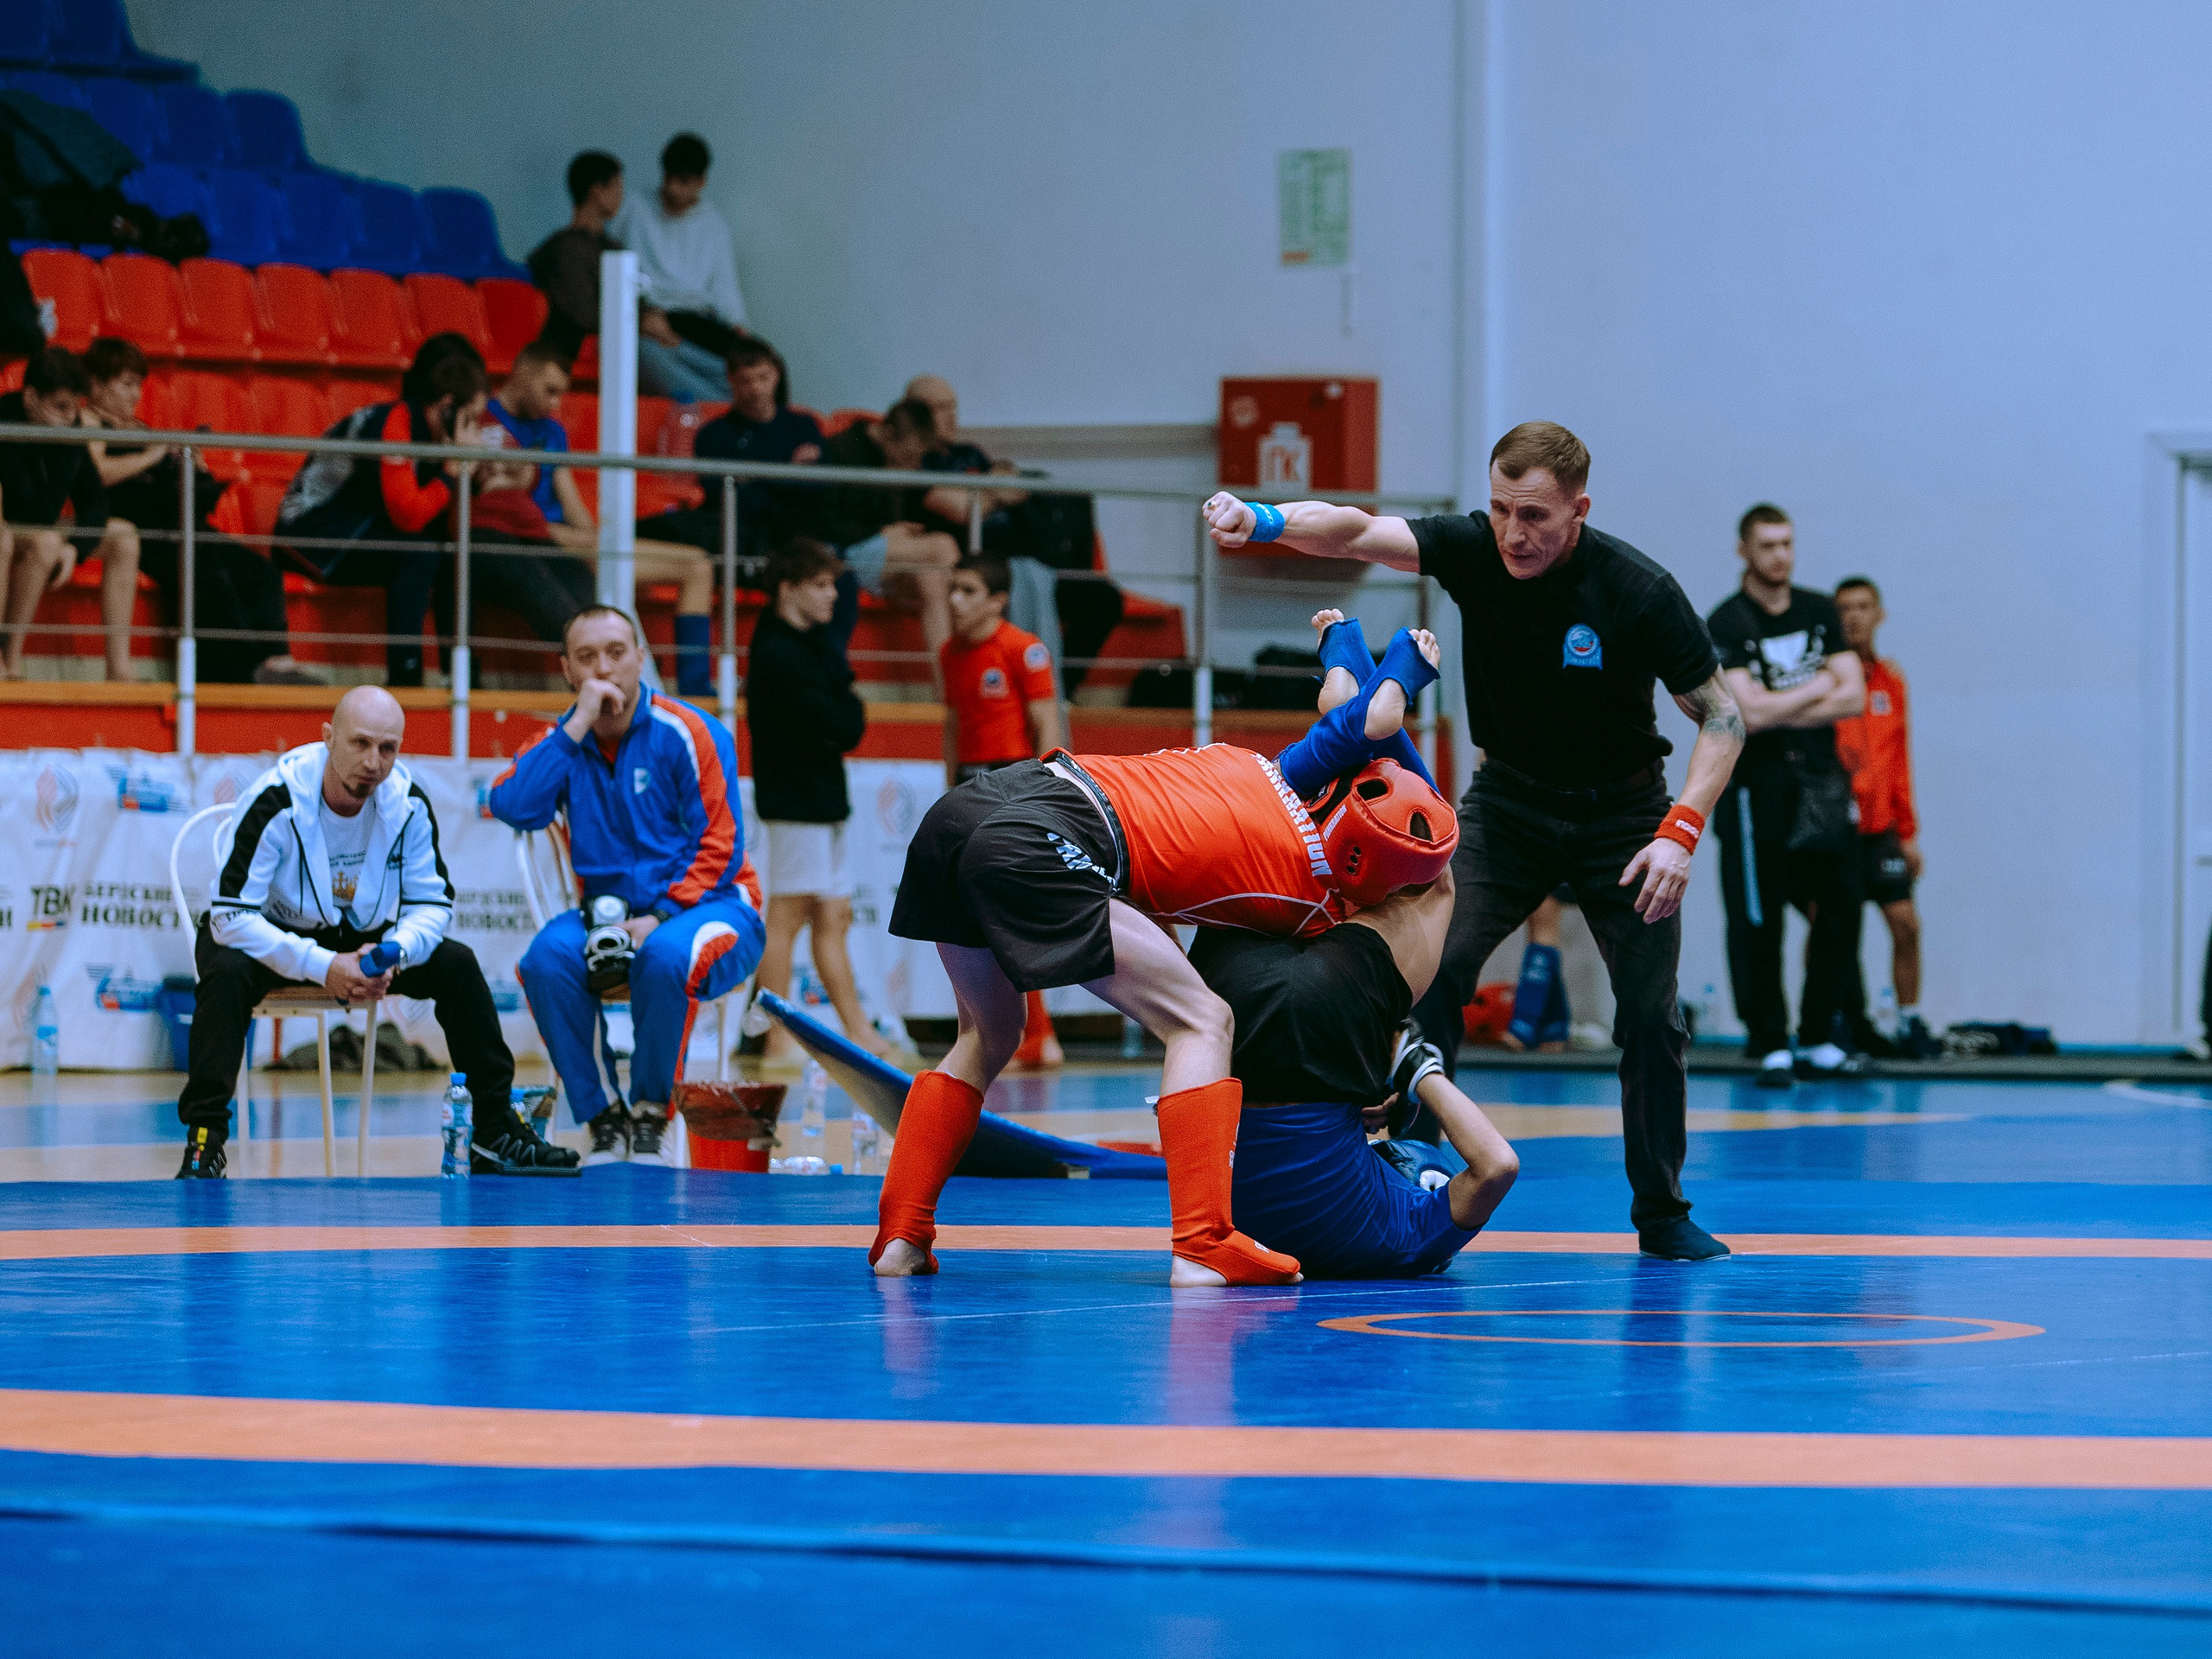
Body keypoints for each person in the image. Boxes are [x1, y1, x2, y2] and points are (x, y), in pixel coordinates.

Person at [1203, 420, 1746, 1262]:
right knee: (1430, 972)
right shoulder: (1473, 549)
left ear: (1578, 509)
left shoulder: (1636, 589)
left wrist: (1681, 832)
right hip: (1510, 805)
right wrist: (1263, 520)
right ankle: (1396, 1156)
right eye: (1498, 510)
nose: (1512, 534)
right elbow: (1354, 528)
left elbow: (1721, 714)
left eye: (1533, 516)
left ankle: (1662, 1213)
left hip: (1625, 819)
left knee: (1648, 1012)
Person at [873, 612, 1454, 1287]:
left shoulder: (1259, 769)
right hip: (1046, 838)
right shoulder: (1307, 890)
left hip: (972, 805)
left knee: (987, 1031)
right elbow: (1427, 859)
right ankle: (1203, 1242)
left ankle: (900, 1234)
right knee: (1203, 1021)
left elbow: (1346, 732)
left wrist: (1348, 659)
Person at [177, 685, 579, 1179]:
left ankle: (494, 1130)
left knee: (456, 965)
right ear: (329, 737)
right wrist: (322, 966)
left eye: (387, 748)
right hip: (272, 935)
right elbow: (231, 916)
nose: (373, 762)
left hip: (364, 942)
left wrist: (392, 953)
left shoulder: (407, 801)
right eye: (360, 743)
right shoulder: (276, 800)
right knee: (225, 970)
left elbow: (432, 905)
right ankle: (205, 1140)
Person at [491, 604, 764, 1166]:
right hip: (607, 915)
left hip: (715, 907)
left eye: (617, 653)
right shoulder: (562, 742)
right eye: (586, 658)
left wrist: (660, 915)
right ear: (566, 670)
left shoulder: (690, 732)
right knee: (545, 960)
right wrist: (576, 725)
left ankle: (649, 1115)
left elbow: (722, 843)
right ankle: (602, 1118)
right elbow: (512, 805)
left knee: (663, 957)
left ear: (641, 658)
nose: (604, 669)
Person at [1195, 868, 1522, 1279]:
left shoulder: (1412, 1239)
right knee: (1243, 868)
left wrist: (1417, 1067)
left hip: (1332, 1002)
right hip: (1231, 1021)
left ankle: (1418, 813)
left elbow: (1498, 1166)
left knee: (1434, 888)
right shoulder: (1363, 1243)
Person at [1707, 505, 1869, 1087]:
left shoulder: (1818, 609)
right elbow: (1746, 712)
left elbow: (1853, 696)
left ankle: (1819, 1034)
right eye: (1769, 545)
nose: (1781, 555)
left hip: (1821, 785)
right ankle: (1770, 1039)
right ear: (1744, 551)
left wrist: (1784, 703)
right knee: (1758, 917)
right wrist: (1819, 683)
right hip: (1756, 789)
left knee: (1843, 906)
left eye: (1787, 544)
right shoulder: (1727, 622)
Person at [77, 338, 321, 685]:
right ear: (97, 384)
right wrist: (154, 455)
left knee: (260, 571)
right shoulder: (88, 421)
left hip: (182, 522)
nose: (135, 394)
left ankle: (276, 660)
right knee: (207, 574)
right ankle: (238, 674)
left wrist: (192, 465)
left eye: (139, 385)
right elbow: (98, 471)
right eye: (126, 384)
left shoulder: (140, 428)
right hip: (139, 527)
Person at [480, 340, 716, 693]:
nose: (556, 404)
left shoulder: (553, 431)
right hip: (533, 536)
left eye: (562, 394)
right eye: (550, 391)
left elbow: (571, 499)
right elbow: (493, 504)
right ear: (522, 373)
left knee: (700, 566)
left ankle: (696, 690)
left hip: (572, 540)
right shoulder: (486, 423)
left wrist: (595, 537)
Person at [746, 539, 902, 1066]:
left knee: (833, 915)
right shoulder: (776, 650)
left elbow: (847, 723)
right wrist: (843, 713)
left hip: (823, 798)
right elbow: (839, 723)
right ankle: (776, 1034)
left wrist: (843, 714)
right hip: (795, 801)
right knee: (787, 915)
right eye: (820, 584)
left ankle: (858, 1029)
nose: (833, 595)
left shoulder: (814, 644)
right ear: (788, 589)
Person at [275, 334, 492, 687]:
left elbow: (445, 527)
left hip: (360, 529)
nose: (476, 431)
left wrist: (472, 479)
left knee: (455, 555)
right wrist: (453, 474)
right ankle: (405, 679)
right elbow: (407, 516)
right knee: (417, 554)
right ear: (447, 406)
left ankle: (465, 677)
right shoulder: (394, 424)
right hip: (309, 532)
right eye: (471, 419)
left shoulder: (437, 439)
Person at [906, 373, 1125, 697]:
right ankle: (1024, 690)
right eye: (939, 408)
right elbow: (960, 509)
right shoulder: (918, 464)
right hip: (983, 565)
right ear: (915, 414)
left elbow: (1012, 491)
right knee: (1018, 578)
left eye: (953, 406)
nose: (950, 416)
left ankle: (1058, 690)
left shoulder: (971, 453)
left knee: (1102, 599)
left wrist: (986, 495)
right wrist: (994, 493)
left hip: (1032, 556)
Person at [941, 552, 1069, 1066]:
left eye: (968, 590)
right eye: (952, 588)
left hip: (1015, 783)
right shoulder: (950, 652)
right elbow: (953, 724)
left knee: (1013, 913)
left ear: (997, 600)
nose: (955, 599)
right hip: (969, 784)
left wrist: (1050, 793)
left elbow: (1047, 726)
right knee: (978, 919)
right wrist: (948, 787)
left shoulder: (1023, 648)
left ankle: (1039, 1037)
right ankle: (1024, 1035)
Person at [1834, 575, 1932, 1058]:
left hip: (1883, 831)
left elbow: (1899, 761)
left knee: (1905, 923)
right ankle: (1835, 1019)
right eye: (1845, 608)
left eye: (1863, 607)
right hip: (1838, 832)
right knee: (1831, 929)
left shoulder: (1892, 682)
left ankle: (1909, 1020)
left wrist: (1907, 833)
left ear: (1879, 615)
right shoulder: (1827, 682)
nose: (1853, 617)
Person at [0, 346, 142, 681]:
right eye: (60, 407)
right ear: (31, 397)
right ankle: (10, 660)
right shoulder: (4, 422)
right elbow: (28, 501)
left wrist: (75, 546)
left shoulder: (70, 427)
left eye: (73, 408)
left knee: (124, 537)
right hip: (8, 527)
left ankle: (119, 668)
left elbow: (95, 501)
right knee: (40, 541)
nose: (68, 417)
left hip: (40, 529)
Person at [798, 398, 960, 667]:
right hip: (844, 552)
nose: (913, 466)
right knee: (942, 547)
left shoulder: (894, 458)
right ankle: (974, 659)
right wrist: (884, 531)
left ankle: (946, 693)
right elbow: (824, 524)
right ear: (887, 435)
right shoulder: (840, 452)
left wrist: (897, 532)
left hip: (875, 549)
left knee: (931, 580)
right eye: (909, 457)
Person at [645, 334, 824, 569]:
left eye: (763, 378)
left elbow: (820, 489)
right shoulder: (713, 434)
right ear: (731, 380)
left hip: (798, 533)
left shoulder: (804, 426)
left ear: (777, 374)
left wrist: (753, 477)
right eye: (746, 381)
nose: (756, 389)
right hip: (739, 535)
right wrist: (789, 472)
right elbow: (726, 499)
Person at [611, 133, 748, 403]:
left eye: (683, 181)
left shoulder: (713, 225)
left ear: (701, 182)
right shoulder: (634, 208)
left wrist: (740, 329)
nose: (673, 189)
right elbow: (611, 269)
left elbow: (725, 289)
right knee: (639, 355)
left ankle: (721, 401)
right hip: (650, 317)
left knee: (759, 368)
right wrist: (641, 314)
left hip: (698, 324)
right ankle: (721, 407)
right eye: (668, 178)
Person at [527, 150, 626, 357]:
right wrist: (638, 322)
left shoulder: (614, 247)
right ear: (598, 191)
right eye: (617, 187)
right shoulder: (566, 249)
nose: (622, 195)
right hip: (584, 347)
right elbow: (582, 311)